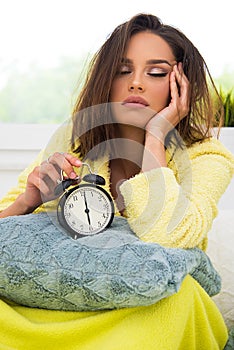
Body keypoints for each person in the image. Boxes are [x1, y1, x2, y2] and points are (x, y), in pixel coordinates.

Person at [0, 13, 233, 349]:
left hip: (157, 303)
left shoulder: (206, 157)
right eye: (123, 71)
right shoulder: (73, 138)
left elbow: (169, 238)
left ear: (181, 85)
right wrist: (29, 200)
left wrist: (156, 136)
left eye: (156, 73)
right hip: (76, 297)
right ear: (106, 80)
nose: (135, 83)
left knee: (173, 302)